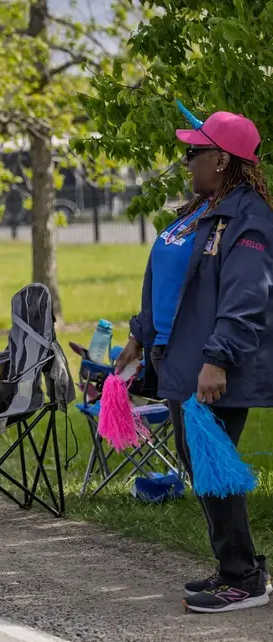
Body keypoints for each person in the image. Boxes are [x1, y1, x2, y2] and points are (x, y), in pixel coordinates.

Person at [116, 111, 273, 614]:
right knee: (197, 462)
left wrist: (218, 359)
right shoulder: (197, 212)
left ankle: (242, 577)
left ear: (223, 159)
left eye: (193, 153)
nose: (185, 162)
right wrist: (140, 337)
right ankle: (235, 566)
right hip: (177, 358)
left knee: (210, 467)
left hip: (212, 366)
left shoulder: (247, 217)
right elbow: (162, 280)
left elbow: (247, 296)